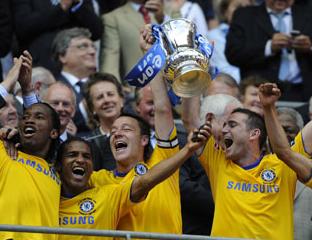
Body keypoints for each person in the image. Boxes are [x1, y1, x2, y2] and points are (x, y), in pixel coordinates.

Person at [58, 122, 210, 239]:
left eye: (86, 157)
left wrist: (187, 150)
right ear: (58, 165)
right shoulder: (47, 193)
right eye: (72, 155)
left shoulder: (108, 196)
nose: (80, 160)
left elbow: (145, 182)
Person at [225, 0, 312, 101]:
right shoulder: (245, 15)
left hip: (304, 92)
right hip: (260, 92)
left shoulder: (308, 13)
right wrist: (269, 47)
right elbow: (233, 53)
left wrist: (309, 47)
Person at [0, 102, 61, 240]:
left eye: (39, 117)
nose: (29, 120)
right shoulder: (4, 151)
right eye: (25, 117)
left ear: (54, 132)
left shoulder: (61, 171)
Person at [259, 83, 312, 240]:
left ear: (299, 133)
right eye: (278, 130)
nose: (283, 136)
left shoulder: (306, 168)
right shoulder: (252, 165)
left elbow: (284, 152)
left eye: (289, 130)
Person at [12, 0, 102, 75]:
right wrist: (62, 7)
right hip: (42, 65)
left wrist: (78, 5)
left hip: (78, 68)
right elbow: (23, 27)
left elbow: (96, 32)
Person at [100, 0, 167, 82]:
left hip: (175, 83)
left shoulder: (166, 11)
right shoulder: (113, 18)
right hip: (140, 86)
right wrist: (113, 86)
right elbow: (110, 58)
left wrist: (162, 19)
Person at [52, 27, 97, 133]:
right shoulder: (52, 89)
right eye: (82, 47)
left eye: (93, 47)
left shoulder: (106, 85)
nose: (92, 52)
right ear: (62, 56)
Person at [81, 72, 124, 170]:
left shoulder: (138, 134)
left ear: (121, 100)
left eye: (110, 94)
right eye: (100, 97)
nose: (106, 100)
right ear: (92, 108)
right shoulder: (87, 144)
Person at [207, 0, 252, 82]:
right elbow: (223, 69)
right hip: (229, 86)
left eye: (248, 8)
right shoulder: (214, 36)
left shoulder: (258, 34)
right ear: (225, 12)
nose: (244, 11)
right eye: (238, 7)